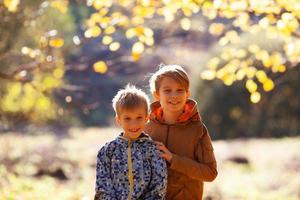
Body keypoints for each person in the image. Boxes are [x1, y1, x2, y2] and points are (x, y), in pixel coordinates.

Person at [145, 64, 218, 200]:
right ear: (157, 94)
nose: (174, 96)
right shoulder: (146, 128)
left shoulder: (197, 130)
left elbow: (210, 173)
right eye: (167, 90)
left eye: (180, 90)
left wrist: (173, 159)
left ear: (187, 94)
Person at [94, 84, 167, 200]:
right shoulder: (107, 151)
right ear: (118, 120)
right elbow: (102, 187)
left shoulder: (154, 151)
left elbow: (158, 188)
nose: (133, 124)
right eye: (127, 118)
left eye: (139, 118)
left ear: (146, 118)